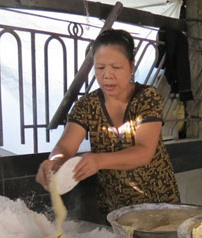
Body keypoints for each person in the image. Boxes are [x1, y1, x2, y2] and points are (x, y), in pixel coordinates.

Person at [36, 29, 180, 218]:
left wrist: (99, 160)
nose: (107, 75)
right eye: (100, 68)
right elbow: (66, 146)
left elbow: (144, 152)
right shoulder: (87, 105)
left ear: (131, 67)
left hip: (158, 204)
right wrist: (54, 163)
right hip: (115, 211)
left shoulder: (146, 97)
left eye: (116, 67)